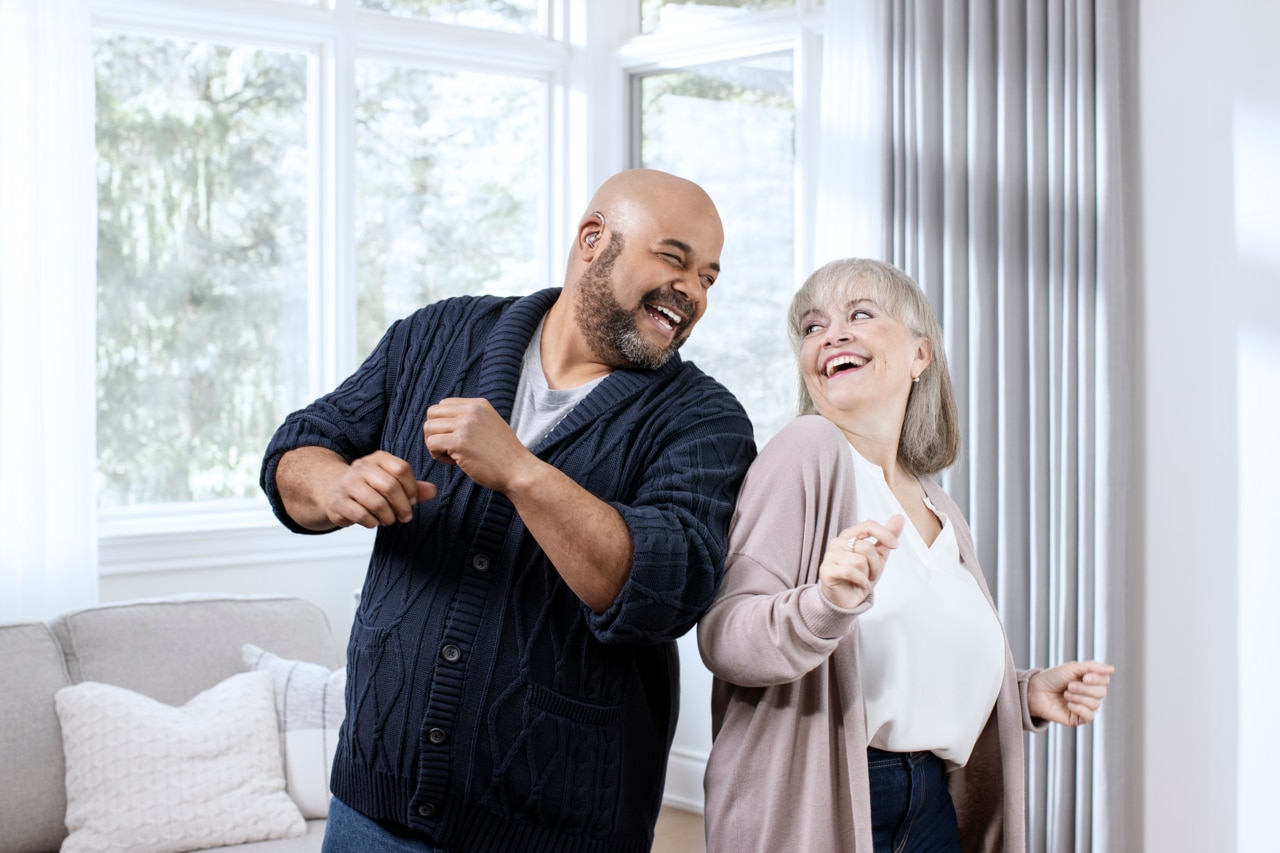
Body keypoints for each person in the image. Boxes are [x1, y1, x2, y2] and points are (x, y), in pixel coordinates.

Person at [260, 169, 757, 853]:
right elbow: (296, 450)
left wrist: (521, 470)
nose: (693, 292)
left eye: (708, 277)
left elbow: (665, 591)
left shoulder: (704, 419)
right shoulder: (436, 335)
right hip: (371, 810)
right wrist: (336, 484)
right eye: (674, 258)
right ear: (593, 239)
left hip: (561, 834)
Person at [697, 258, 1113, 853]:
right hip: (833, 798)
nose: (832, 334)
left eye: (859, 315)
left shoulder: (939, 504)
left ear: (921, 356)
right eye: (813, 327)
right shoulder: (806, 451)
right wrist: (823, 604)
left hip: (931, 801)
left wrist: (1022, 693)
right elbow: (724, 638)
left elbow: (910, 663)